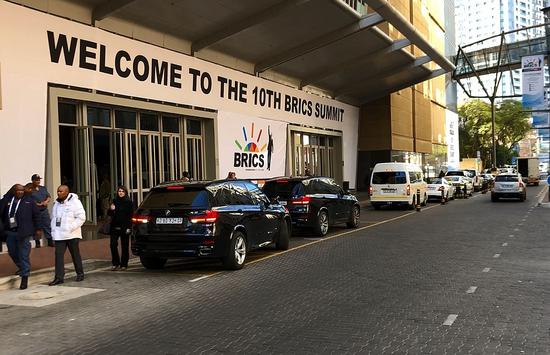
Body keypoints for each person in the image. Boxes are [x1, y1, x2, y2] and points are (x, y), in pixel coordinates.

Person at [1, 184, 42, 290]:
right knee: (12, 252)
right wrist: (8, 195)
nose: (20, 192)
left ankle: (24, 276)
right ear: (14, 191)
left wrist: (38, 229)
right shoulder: (8, 200)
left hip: (23, 232)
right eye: (18, 190)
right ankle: (22, 267)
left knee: (23, 254)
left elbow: (36, 215)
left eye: (22, 190)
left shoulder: (29, 201)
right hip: (10, 232)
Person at [48, 185, 86, 286]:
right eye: (58, 191)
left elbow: (82, 217)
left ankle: (80, 273)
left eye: (61, 191)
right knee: (58, 256)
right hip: (59, 235)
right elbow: (54, 219)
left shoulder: (75, 202)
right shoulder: (56, 203)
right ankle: (59, 277)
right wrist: (53, 232)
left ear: (67, 192)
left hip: (72, 234)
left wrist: (70, 227)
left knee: (75, 254)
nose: (58, 193)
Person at [107, 186, 133, 271]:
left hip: (124, 227)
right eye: (119, 191)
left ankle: (124, 264)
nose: (120, 193)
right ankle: (115, 263)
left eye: (122, 191)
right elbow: (109, 214)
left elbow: (130, 216)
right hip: (114, 226)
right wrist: (111, 209)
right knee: (113, 245)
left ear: (125, 192)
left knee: (124, 246)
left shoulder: (129, 202)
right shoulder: (115, 201)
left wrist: (129, 227)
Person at [30, 174, 54, 247]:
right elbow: (29, 199)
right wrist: (37, 204)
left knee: (47, 225)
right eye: (36, 180)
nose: (38, 181)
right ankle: (37, 243)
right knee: (37, 227)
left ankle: (50, 241)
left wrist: (46, 202)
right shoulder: (30, 189)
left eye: (39, 180)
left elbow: (48, 196)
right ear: (33, 180)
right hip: (35, 211)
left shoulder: (43, 188)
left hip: (44, 210)